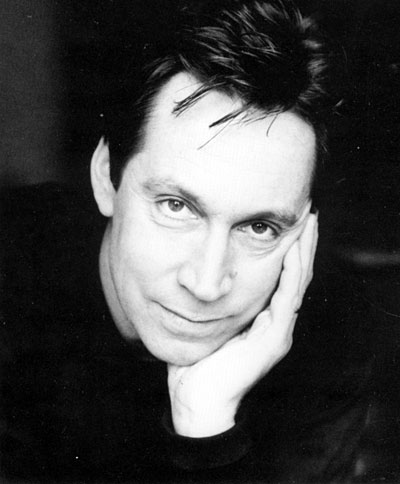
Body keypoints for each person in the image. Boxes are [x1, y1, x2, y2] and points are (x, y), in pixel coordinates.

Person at [1, 0, 374, 482]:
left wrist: (206, 425)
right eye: (176, 207)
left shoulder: (331, 332)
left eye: (260, 228)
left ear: (306, 226)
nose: (206, 283)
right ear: (106, 177)